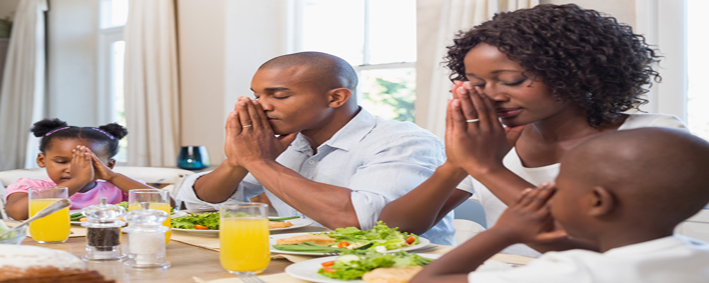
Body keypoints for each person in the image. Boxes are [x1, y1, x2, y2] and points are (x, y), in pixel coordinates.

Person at [378, 3, 687, 256]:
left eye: (511, 80)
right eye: (478, 83)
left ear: (572, 72)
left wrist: (486, 167)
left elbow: (598, 245)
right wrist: (455, 165)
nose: (493, 95)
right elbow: (395, 229)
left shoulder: (653, 136)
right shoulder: (493, 141)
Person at [176, 51, 454, 244]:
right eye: (256, 95)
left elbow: (365, 221)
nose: (262, 105)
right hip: (296, 265)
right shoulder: (279, 143)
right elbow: (196, 205)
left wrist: (260, 163)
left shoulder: (403, 141)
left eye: (279, 95)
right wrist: (236, 162)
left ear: (336, 98)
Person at [411, 128, 709, 283]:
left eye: (558, 186)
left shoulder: (574, 271)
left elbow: (428, 280)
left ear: (598, 202)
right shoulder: (697, 254)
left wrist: (503, 233)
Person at [4, 118, 156, 220]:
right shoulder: (31, 187)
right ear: (42, 160)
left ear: (109, 165)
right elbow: (17, 213)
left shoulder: (119, 188)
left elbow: (166, 205)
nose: (72, 169)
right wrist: (78, 180)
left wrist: (113, 177)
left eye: (87, 162)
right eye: (61, 161)